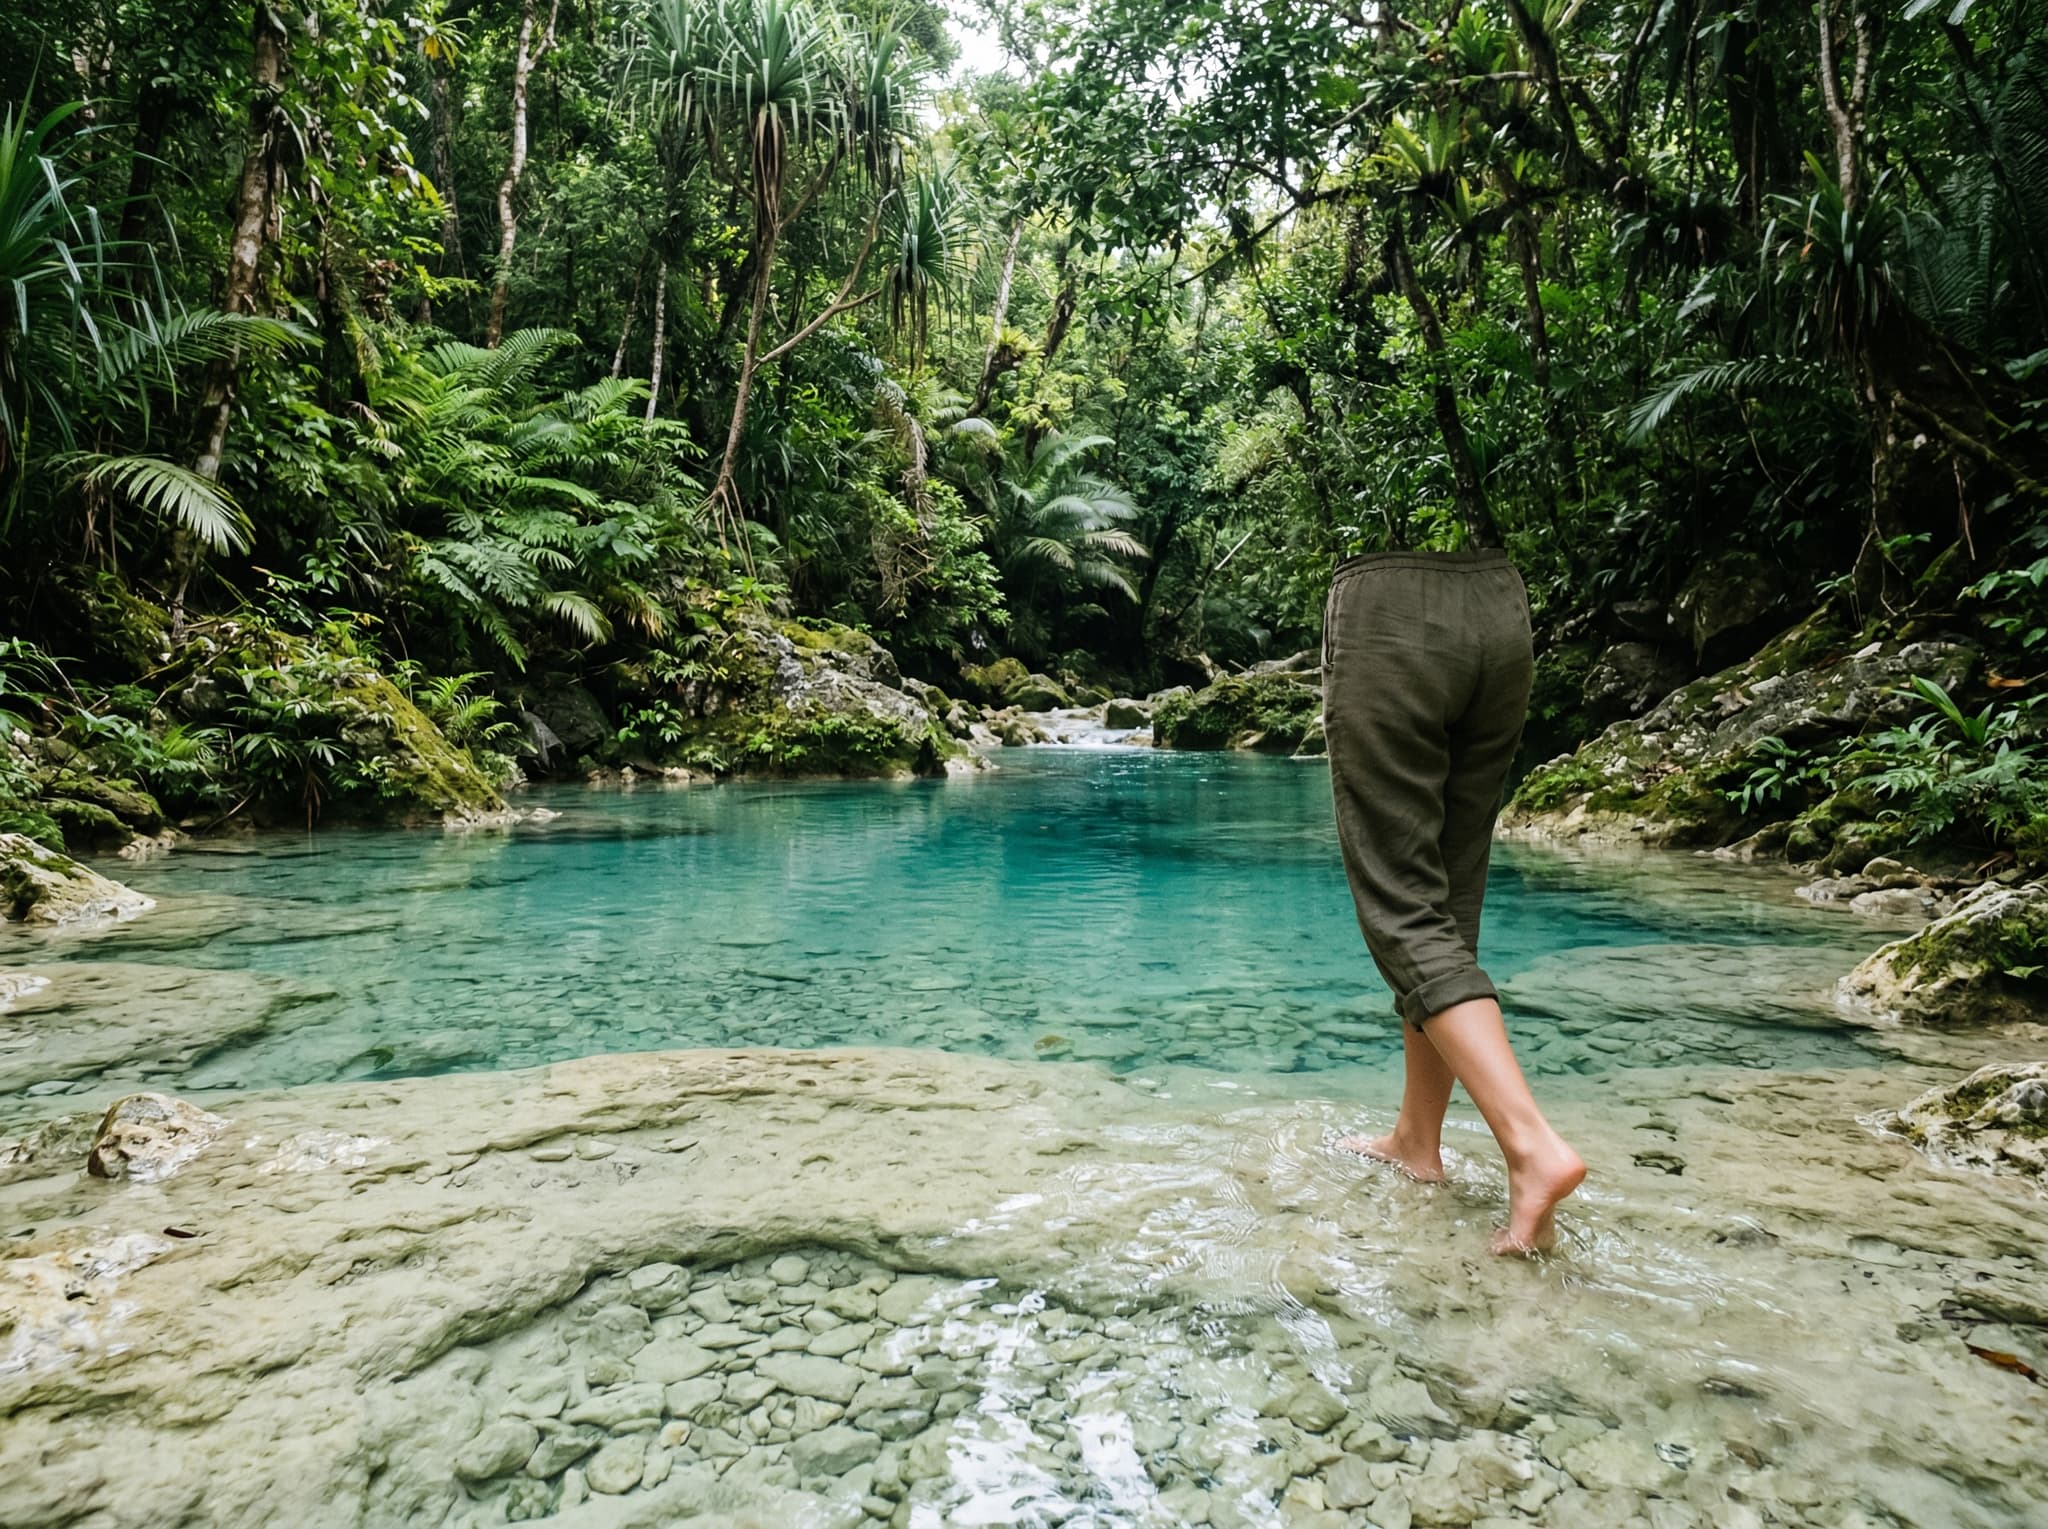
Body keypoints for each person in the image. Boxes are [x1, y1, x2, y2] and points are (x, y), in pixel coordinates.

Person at [1320, 548, 1584, 1254]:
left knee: (1401, 905)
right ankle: (1416, 1138)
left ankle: (1531, 1148)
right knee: (1448, 893)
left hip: (1389, 609)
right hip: (1501, 607)